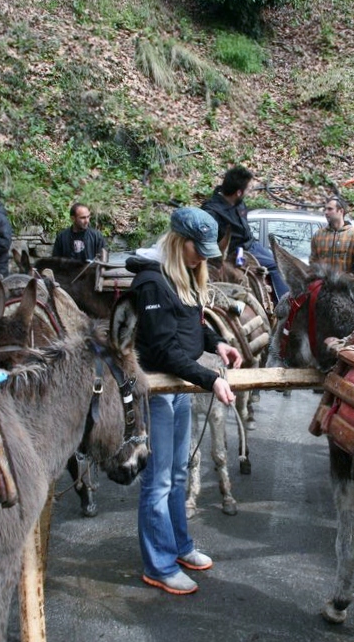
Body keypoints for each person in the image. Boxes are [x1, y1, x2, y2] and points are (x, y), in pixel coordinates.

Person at [125, 207, 243, 595]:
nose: (204, 258)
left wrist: (218, 343)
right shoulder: (151, 283)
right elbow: (162, 350)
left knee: (177, 473)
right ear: (179, 242)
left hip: (179, 387)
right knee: (157, 481)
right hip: (157, 390)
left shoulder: (187, 275)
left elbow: (192, 326)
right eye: (199, 250)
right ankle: (157, 564)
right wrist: (210, 379)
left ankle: (178, 546)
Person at [201, 166, 289, 299]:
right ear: (238, 192)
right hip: (236, 252)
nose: (250, 192)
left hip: (253, 245)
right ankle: (285, 304)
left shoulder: (239, 203)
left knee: (281, 260)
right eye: (249, 189)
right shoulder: (212, 213)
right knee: (276, 267)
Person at [309, 195, 354, 275]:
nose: (326, 212)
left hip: (346, 286)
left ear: (341, 211)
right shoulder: (318, 235)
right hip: (323, 285)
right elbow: (313, 261)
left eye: (330, 209)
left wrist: (351, 280)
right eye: (325, 209)